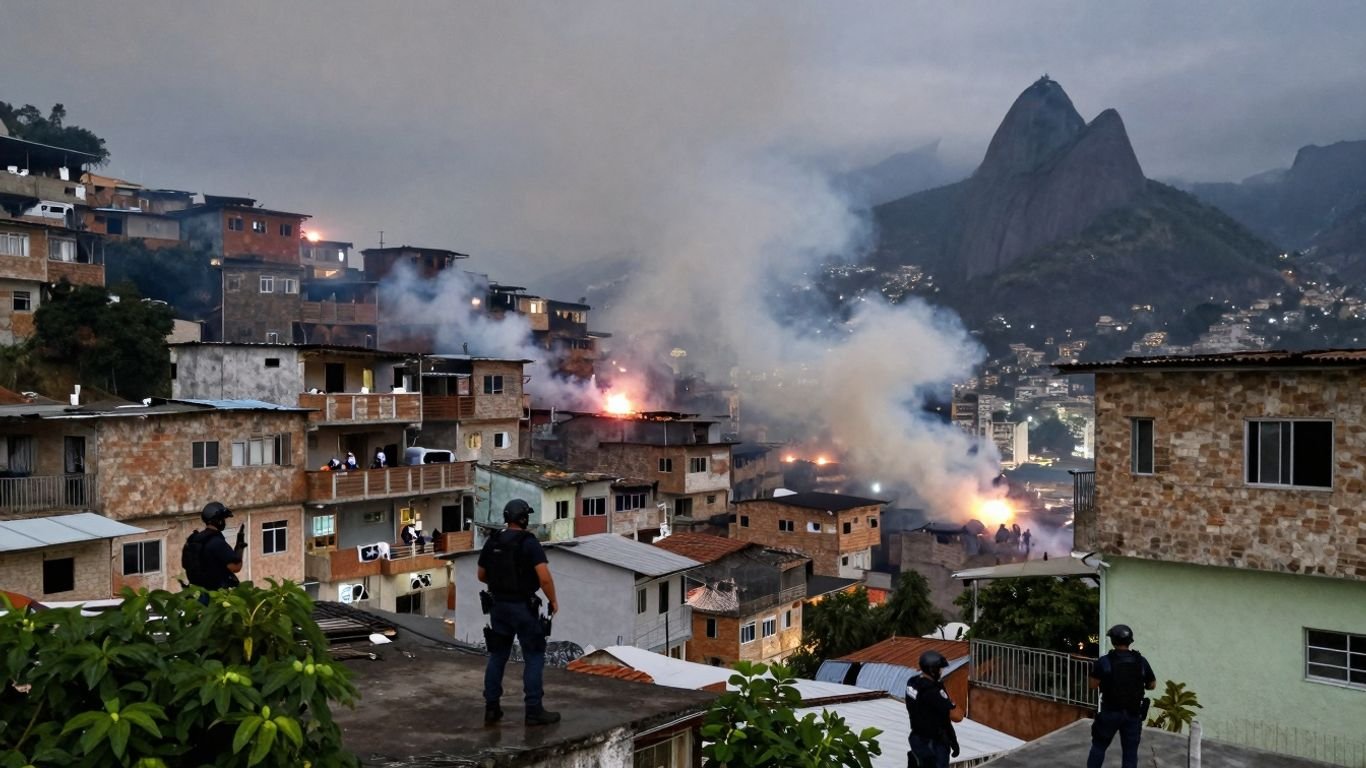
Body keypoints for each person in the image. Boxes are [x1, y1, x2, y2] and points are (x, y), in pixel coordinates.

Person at [479, 499, 560, 727]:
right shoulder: (529, 542)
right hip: (522, 607)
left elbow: (481, 575)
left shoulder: (493, 540)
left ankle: (492, 708)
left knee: (497, 656)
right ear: (524, 518)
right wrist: (553, 600)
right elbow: (544, 577)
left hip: (498, 607)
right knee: (533, 656)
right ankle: (533, 710)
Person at [1088, 624, 1157, 768]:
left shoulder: (1105, 662)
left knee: (1099, 747)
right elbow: (1152, 685)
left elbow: (1093, 685)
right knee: (1130, 753)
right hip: (1133, 714)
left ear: (1113, 641)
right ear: (1130, 641)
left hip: (1110, 713)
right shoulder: (1141, 661)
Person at [906, 650, 961, 767]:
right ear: (932, 670)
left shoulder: (912, 682)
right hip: (933, 743)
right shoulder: (933, 691)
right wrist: (953, 741)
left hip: (917, 739)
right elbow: (956, 716)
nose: (942, 671)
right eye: (940, 668)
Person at [182, 501, 246, 592]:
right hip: (215, 595)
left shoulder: (195, 539)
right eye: (223, 519)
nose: (224, 522)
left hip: (197, 592)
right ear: (218, 520)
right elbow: (236, 567)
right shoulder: (216, 543)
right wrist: (240, 545)